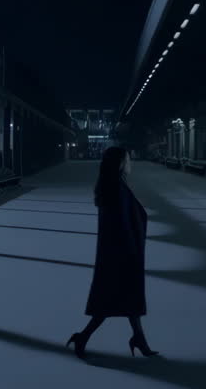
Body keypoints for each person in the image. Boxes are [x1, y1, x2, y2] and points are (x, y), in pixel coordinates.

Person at [67, 146, 158, 360]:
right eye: (128, 159)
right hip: (122, 252)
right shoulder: (116, 187)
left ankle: (138, 338)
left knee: (122, 298)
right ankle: (85, 337)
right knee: (115, 299)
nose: (130, 163)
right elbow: (121, 223)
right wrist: (130, 252)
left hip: (118, 250)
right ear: (120, 163)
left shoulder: (112, 184)